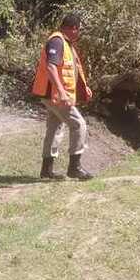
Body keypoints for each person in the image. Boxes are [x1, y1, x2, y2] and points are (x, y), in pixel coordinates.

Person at [31, 13, 94, 181]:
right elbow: (51, 67)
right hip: (55, 95)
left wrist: (84, 87)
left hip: (53, 94)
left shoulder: (66, 44)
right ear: (73, 28)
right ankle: (75, 168)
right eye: (78, 29)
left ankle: (46, 171)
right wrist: (61, 92)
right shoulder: (57, 41)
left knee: (54, 127)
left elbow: (71, 68)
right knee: (78, 124)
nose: (79, 33)